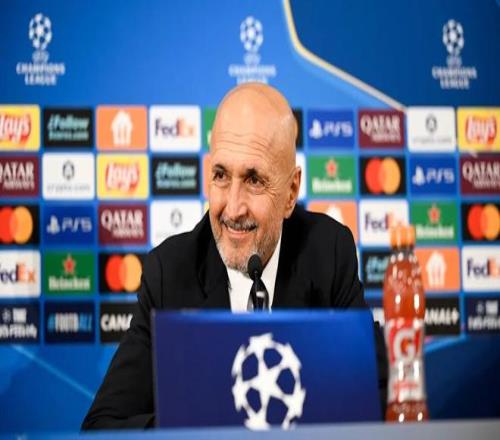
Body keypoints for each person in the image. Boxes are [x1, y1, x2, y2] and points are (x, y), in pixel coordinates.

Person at [82, 83, 388, 429]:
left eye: (254, 180)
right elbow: (103, 427)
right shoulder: (169, 274)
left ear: (291, 192)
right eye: (221, 176)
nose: (233, 208)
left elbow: (379, 397)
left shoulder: (328, 252)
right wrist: (204, 426)